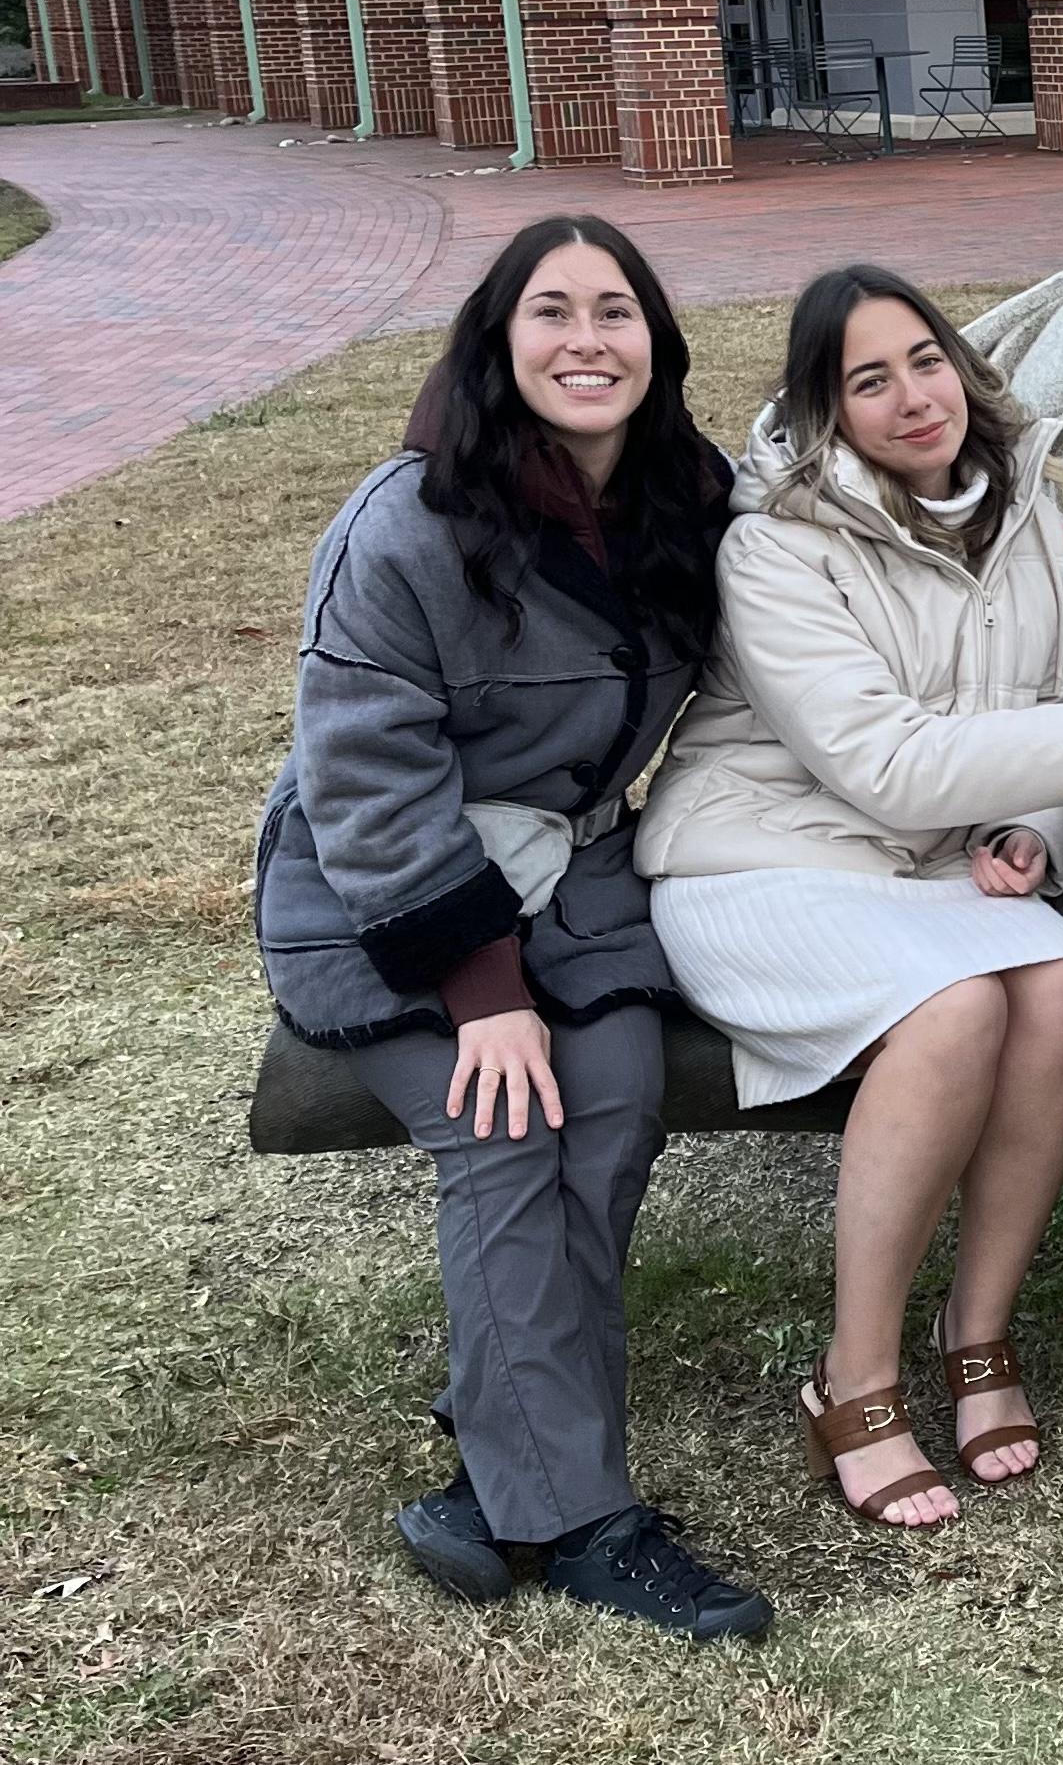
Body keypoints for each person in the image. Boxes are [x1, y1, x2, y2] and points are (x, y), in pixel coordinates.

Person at [634, 265, 1063, 1529]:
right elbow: (885, 763)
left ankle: (978, 1337)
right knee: (960, 1005)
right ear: (826, 411)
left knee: (1062, 982)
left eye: (924, 360)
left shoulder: (1023, 508)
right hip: (758, 861)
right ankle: (851, 1380)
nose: (912, 398)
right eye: (869, 381)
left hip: (920, 867)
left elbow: (1032, 699)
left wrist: (1028, 830)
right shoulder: (775, 548)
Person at [254, 215, 771, 1642]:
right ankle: (584, 1517)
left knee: (608, 1095)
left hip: (579, 878)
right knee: (502, 1120)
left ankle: (499, 1446)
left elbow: (823, 586)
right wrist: (483, 992)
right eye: (551, 313)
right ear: (500, 341)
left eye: (617, 312)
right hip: (390, 900)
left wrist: (993, 537)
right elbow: (363, 772)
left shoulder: (692, 496)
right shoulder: (407, 522)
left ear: (658, 344)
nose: (587, 341)